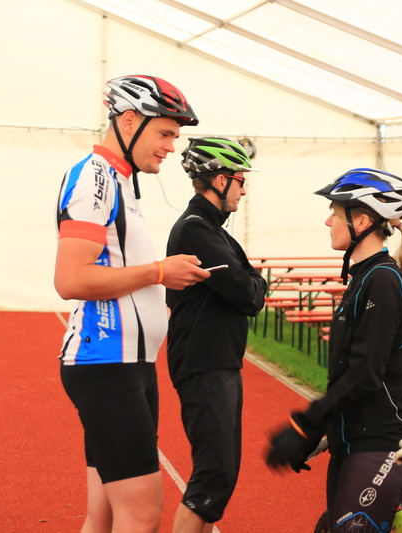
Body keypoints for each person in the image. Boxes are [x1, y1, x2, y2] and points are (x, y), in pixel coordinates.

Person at [54, 75, 206, 533]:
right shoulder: (95, 177)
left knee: (102, 516)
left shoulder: (119, 179)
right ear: (128, 120)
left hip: (129, 363)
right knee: (140, 515)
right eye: (165, 133)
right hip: (107, 363)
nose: (171, 147)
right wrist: (160, 272)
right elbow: (71, 279)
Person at [266, 168, 402, 532]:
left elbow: (365, 374)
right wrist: (320, 431)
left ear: (362, 221)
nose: (328, 222)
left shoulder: (382, 280)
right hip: (353, 441)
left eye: (335, 213)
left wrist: (305, 424)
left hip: (378, 443)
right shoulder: (365, 277)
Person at [165, 137, 267, 533]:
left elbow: (250, 284)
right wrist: (252, 282)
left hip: (218, 362)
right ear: (220, 181)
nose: (244, 190)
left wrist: (251, 282)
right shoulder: (196, 229)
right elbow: (249, 293)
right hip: (204, 363)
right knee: (214, 475)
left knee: (219, 474)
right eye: (241, 181)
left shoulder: (213, 231)